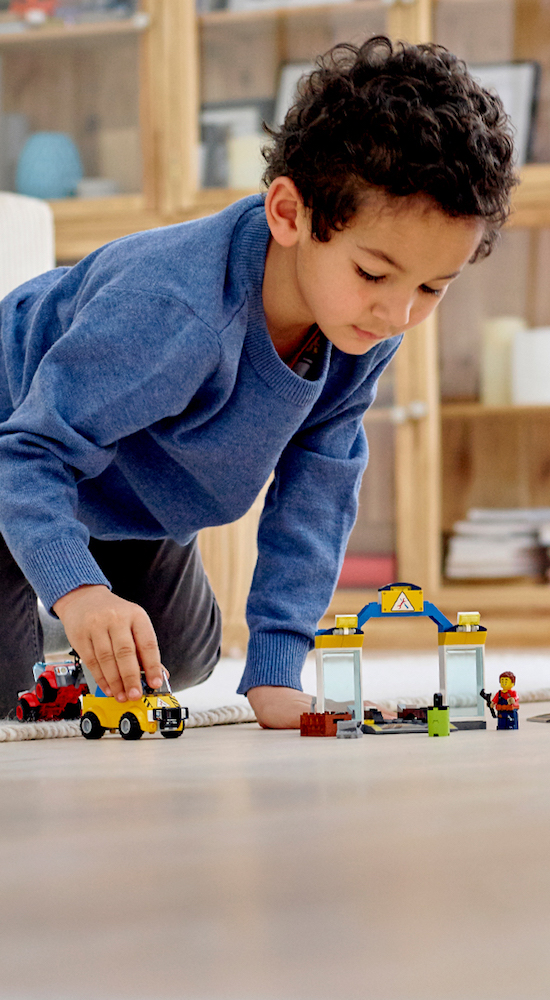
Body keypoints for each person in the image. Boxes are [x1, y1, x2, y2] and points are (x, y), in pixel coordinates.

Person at [0, 37, 517, 727]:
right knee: (18, 701)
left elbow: (319, 486)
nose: (398, 313)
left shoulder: (360, 329)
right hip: (17, 452)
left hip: (136, 489)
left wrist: (276, 666)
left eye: (431, 287)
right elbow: (25, 452)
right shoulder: (174, 309)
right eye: (373, 273)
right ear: (288, 214)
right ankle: (53, 574)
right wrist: (80, 592)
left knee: (182, 661)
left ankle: (69, 581)